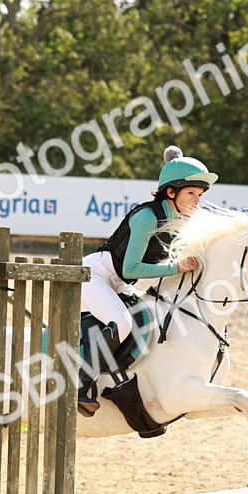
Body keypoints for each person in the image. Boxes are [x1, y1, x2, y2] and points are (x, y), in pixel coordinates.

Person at [76, 145, 216, 416]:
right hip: (97, 275)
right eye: (191, 193)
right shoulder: (147, 216)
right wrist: (176, 267)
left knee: (149, 319)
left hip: (119, 282)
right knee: (124, 323)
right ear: (171, 192)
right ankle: (82, 384)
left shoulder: (181, 218)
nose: (197, 200)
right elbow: (131, 269)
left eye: (199, 194)